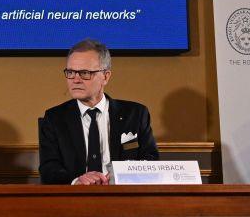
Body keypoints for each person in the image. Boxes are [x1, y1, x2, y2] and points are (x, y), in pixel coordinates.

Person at [38, 39, 159, 185]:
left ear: (105, 76)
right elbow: (49, 169)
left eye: (84, 73)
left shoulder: (135, 114)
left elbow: (150, 160)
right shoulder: (54, 118)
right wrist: (77, 181)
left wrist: (121, 176)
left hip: (124, 198)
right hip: (75, 199)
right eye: (70, 72)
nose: (75, 80)